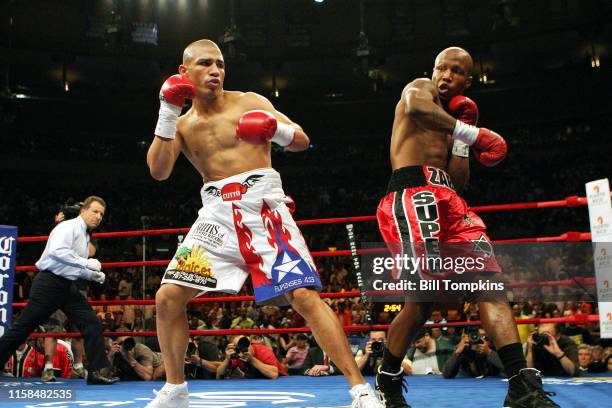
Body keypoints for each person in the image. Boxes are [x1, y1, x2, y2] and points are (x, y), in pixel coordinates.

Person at [145, 39, 382, 407]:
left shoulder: (250, 101)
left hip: (265, 210)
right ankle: (175, 390)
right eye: (206, 63)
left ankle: (360, 389)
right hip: (216, 220)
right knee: (168, 297)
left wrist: (276, 130)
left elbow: (303, 141)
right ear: (183, 73)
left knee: (303, 296)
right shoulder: (182, 124)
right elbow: (158, 172)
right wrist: (166, 110)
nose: (215, 71)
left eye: (220, 64)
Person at [375, 47, 559, 407]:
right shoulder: (420, 89)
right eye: (441, 67)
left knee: (491, 285)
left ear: (468, 80)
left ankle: (522, 385)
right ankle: (388, 379)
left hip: (450, 200)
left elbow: (457, 181)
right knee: (421, 302)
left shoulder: (454, 119)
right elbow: (414, 107)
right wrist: (472, 134)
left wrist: (462, 140)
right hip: (412, 195)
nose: (445, 75)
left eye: (455, 71)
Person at [0, 196, 118, 385]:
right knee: (23, 328)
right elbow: (57, 251)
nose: (98, 217)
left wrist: (90, 275)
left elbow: (70, 265)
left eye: (101, 214)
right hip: (48, 284)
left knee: (92, 323)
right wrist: (85, 262)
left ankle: (97, 372)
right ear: (83, 211)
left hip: (67, 286)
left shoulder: (84, 234)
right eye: (95, 211)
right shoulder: (68, 227)